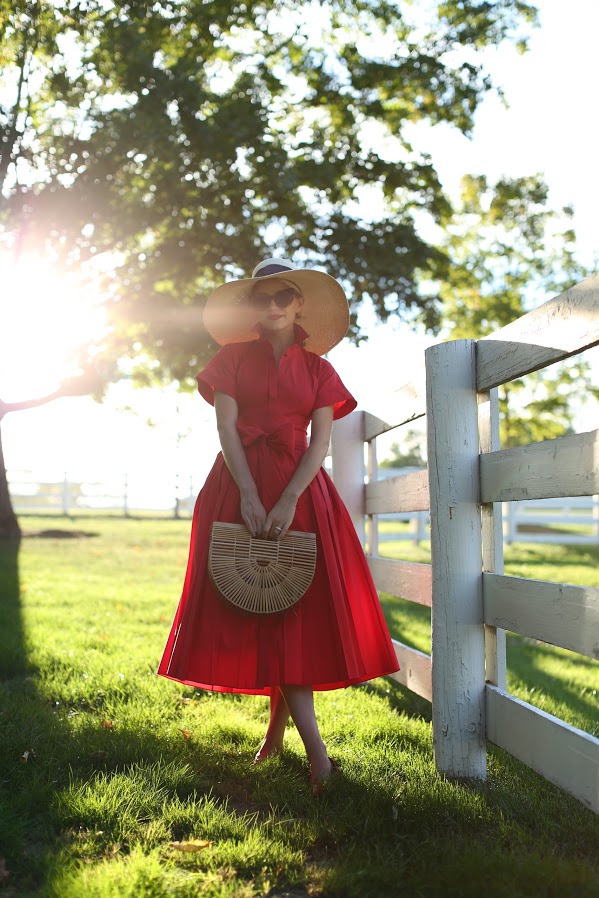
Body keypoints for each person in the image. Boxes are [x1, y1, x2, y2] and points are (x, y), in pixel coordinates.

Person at [157, 258, 399, 795]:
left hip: (302, 492)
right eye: (261, 297)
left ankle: (307, 752)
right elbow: (226, 428)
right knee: (260, 606)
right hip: (236, 485)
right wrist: (247, 493)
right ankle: (301, 748)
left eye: (282, 296)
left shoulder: (318, 370)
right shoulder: (230, 359)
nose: (272, 305)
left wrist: (289, 497)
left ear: (298, 303)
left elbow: (321, 442)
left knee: (294, 616)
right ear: (251, 306)